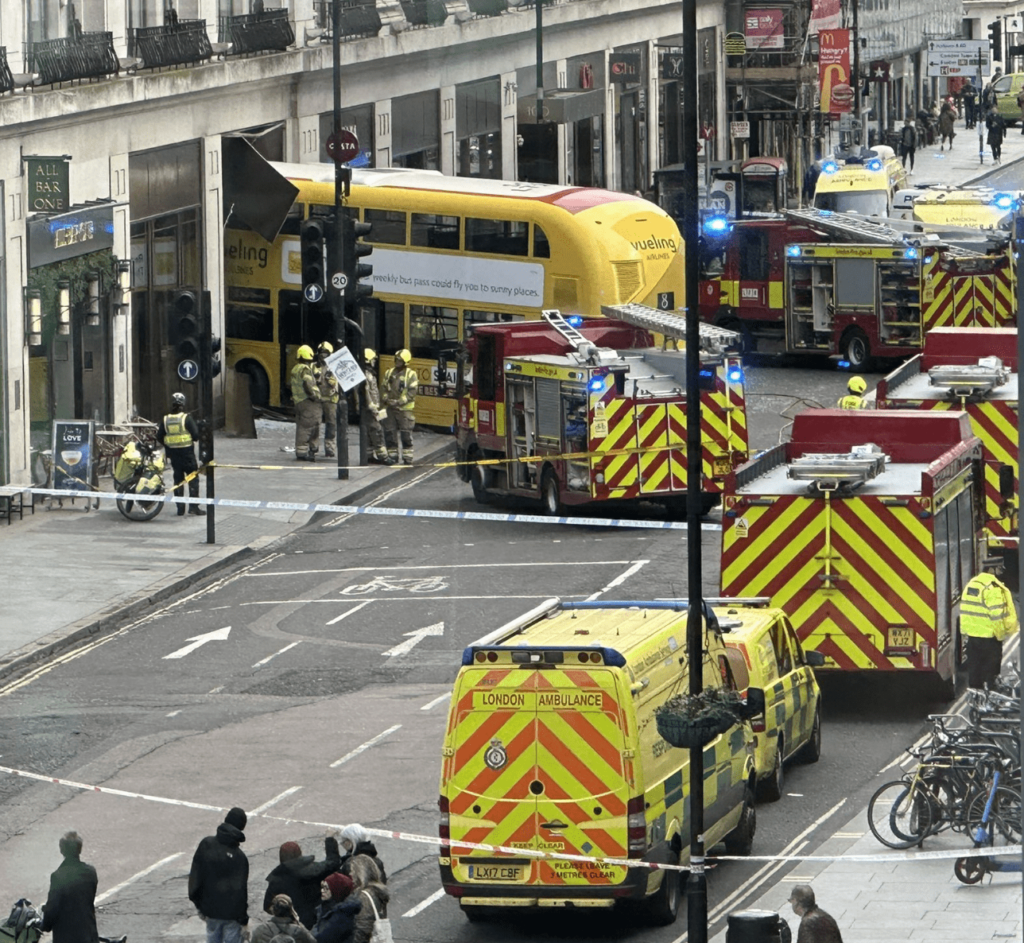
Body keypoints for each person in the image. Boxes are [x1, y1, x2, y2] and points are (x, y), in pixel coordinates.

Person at [188, 806, 250, 943]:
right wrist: (244, 919)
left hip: (210, 910)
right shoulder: (240, 858)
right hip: (232, 915)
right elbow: (241, 891)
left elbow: (196, 877)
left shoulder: (206, 845)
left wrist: (199, 904)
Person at [263, 835, 342, 930]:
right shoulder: (314, 869)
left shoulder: (277, 879)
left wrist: (284, 914)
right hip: (317, 919)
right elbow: (333, 863)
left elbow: (267, 905)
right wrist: (330, 840)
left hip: (293, 924)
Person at [962, 567, 1019, 690]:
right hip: (989, 638)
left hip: (972, 636)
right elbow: (997, 616)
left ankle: (976, 698)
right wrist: (1000, 636)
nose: (1000, 572)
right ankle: (991, 695)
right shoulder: (992, 589)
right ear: (991, 570)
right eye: (998, 569)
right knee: (991, 671)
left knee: (974, 669)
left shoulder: (971, 584)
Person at [40, 831, 99, 943]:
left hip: (67, 937)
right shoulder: (90, 872)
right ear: (80, 849)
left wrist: (45, 925)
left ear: (62, 850)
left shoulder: (58, 876)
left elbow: (53, 907)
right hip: (89, 934)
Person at [157, 391, 206, 517]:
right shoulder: (186, 418)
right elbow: (195, 436)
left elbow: (159, 436)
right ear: (183, 404)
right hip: (187, 454)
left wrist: (169, 444)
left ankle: (180, 508)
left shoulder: (165, 419)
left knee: (178, 480)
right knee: (193, 479)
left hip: (174, 455)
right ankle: (193, 507)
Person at [382, 349, 417, 466]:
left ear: (405, 362)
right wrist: (386, 399)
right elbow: (383, 387)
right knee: (389, 432)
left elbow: (412, 392)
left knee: (406, 433)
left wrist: (399, 402)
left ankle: (407, 458)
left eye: (400, 361)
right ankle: (393, 456)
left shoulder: (411, 375)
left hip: (404, 410)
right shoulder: (389, 372)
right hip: (390, 408)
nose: (397, 362)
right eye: (396, 360)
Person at [347, 856, 389, 943]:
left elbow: (363, 927)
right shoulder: (377, 891)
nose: (350, 874)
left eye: (352, 871)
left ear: (360, 873)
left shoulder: (365, 896)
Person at [291, 345, 322, 462]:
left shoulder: (295, 368)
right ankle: (305, 453)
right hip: (307, 402)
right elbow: (307, 384)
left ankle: (301, 450)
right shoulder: (305, 369)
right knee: (310, 426)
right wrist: (314, 396)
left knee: (302, 426)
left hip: (298, 401)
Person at [360, 350, 391, 465]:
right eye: (373, 359)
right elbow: (367, 391)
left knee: (369, 433)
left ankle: (368, 456)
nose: (374, 362)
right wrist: (372, 407)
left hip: (370, 409)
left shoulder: (367, 373)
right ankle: (384, 457)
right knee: (377, 431)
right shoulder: (367, 375)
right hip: (371, 409)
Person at [313, 873, 361, 943]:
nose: (322, 890)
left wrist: (301, 932)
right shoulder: (326, 907)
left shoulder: (342, 915)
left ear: (336, 890)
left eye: (326, 888)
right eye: (322, 887)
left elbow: (320, 937)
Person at [251, 895, 315, 943]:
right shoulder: (299, 930)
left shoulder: (260, 930)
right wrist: (298, 923)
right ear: (291, 910)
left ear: (272, 909)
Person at [315, 342, 340, 459]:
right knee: (315, 423)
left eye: (326, 354)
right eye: (322, 353)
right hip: (317, 400)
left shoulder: (336, 367)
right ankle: (313, 447)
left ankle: (329, 448)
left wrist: (333, 382)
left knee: (331, 425)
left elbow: (340, 384)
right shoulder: (314, 367)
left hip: (331, 400)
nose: (323, 356)